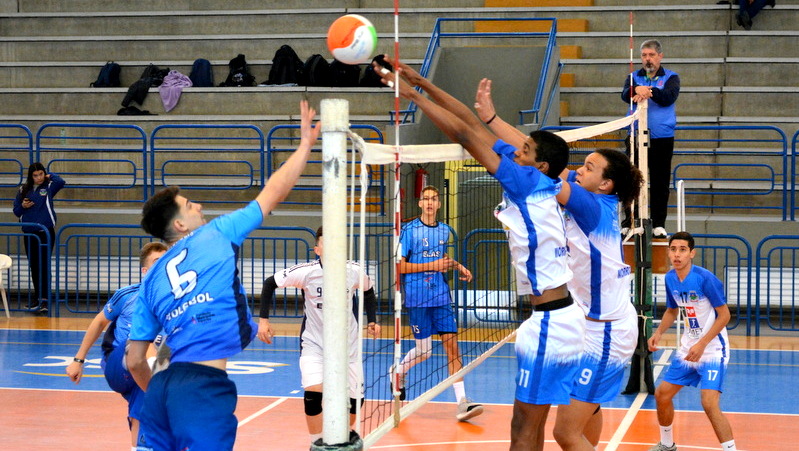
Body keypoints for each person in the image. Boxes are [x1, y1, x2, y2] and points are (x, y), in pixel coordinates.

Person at [376, 57, 584, 450]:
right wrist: (422, 81)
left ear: (538, 163)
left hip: (551, 323)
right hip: (561, 316)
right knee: (535, 426)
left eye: (523, 148)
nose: (514, 150)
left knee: (524, 428)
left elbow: (466, 136)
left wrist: (412, 97)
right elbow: (471, 125)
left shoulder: (525, 180)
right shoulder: (540, 178)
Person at [126, 100, 320, 451]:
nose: (198, 205)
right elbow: (273, 191)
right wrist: (305, 145)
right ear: (180, 224)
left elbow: (135, 359)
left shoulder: (151, 280)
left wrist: (158, 394)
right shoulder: (216, 233)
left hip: (160, 386)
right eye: (189, 205)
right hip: (202, 385)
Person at [475, 79, 644, 450]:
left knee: (564, 433)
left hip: (606, 334)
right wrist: (491, 119)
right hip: (584, 323)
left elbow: (539, 168)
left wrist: (487, 129)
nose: (578, 171)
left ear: (606, 185)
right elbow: (531, 153)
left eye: (588, 168)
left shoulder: (592, 207)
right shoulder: (589, 194)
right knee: (583, 418)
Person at [257, 225, 380, 445]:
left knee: (356, 402)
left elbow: (368, 291)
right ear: (317, 249)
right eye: (326, 242)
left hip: (348, 345)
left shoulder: (353, 271)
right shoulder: (307, 272)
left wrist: (372, 320)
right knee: (313, 395)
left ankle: (341, 437)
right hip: (314, 343)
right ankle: (317, 443)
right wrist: (264, 321)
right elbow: (269, 283)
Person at [65, 241, 168, 450]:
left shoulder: (175, 302)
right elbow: (98, 322)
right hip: (116, 364)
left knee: (144, 402)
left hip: (145, 370)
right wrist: (78, 359)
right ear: (145, 271)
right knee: (143, 343)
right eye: (158, 262)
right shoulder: (127, 295)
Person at [393, 184, 482, 421]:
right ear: (420, 203)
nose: (430, 202)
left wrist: (457, 265)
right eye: (426, 198)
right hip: (417, 297)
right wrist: (433, 266)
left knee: (453, 347)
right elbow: (400, 266)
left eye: (434, 198)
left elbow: (440, 258)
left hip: (440, 295)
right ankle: (398, 372)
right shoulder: (409, 231)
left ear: (439, 203)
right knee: (425, 352)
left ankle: (463, 402)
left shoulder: (444, 231)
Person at [647, 231, 736, 451]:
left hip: (713, 349)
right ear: (668, 252)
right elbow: (671, 310)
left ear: (692, 253)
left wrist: (703, 343)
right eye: (673, 249)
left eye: (683, 250)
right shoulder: (670, 278)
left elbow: (724, 315)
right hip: (688, 349)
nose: (677, 254)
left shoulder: (705, 278)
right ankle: (667, 445)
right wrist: (658, 333)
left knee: (708, 403)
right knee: (662, 394)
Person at [621, 39, 680, 239]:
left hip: (662, 138)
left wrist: (648, 91)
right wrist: (635, 89)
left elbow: (668, 97)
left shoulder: (672, 77)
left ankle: (658, 224)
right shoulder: (633, 77)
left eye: (651, 55)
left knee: (660, 181)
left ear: (660, 56)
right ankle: (629, 221)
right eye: (644, 55)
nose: (648, 59)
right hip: (635, 137)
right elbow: (624, 94)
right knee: (632, 181)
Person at [12, 162, 66, 313]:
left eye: (41, 174)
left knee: (44, 265)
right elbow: (16, 211)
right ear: (31, 176)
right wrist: (23, 206)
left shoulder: (49, 187)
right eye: (35, 175)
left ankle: (45, 299)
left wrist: (50, 175)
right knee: (34, 266)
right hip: (29, 233)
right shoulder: (23, 190)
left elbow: (61, 182)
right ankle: (37, 297)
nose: (39, 178)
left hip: (45, 232)